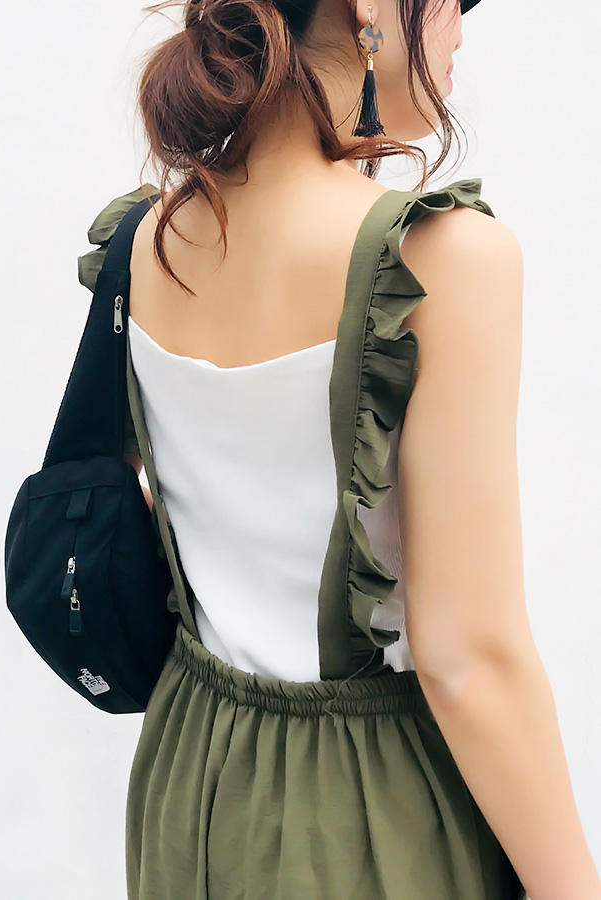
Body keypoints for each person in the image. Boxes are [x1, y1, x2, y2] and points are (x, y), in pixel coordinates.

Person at [76, 0, 601, 897]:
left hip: (191, 773)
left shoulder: (153, 235)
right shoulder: (443, 260)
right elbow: (469, 659)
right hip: (367, 807)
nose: (460, 29)